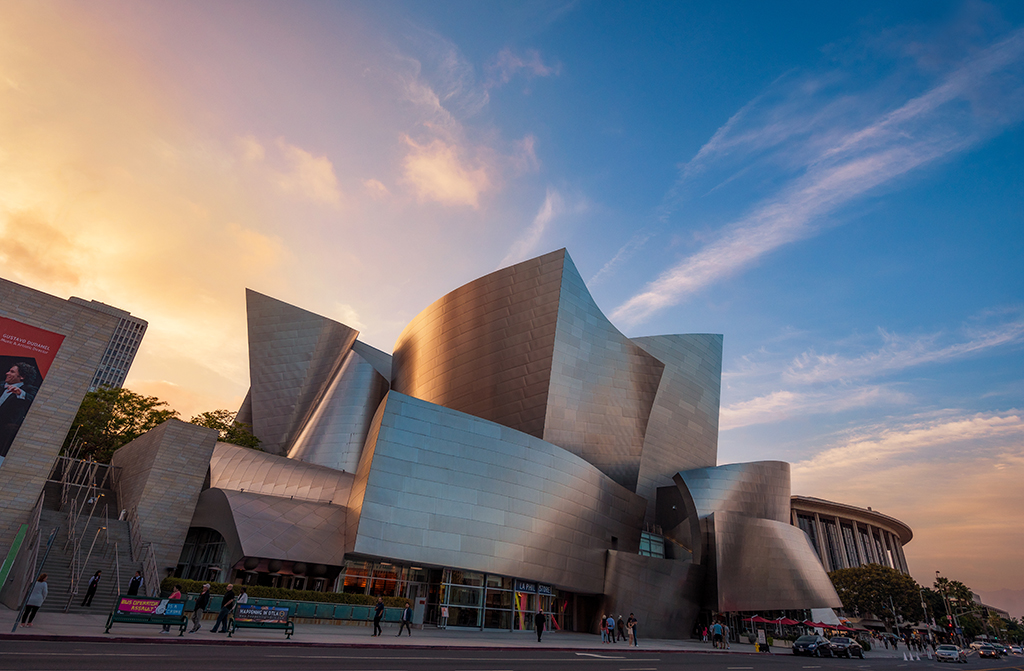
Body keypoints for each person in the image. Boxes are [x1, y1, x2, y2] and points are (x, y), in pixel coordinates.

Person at [0, 362, 37, 461]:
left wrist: (20, 393)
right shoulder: (1, 385)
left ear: (22, 376)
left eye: (12, 372)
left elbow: (33, 400)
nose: (7, 373)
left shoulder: (29, 390)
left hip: (4, 433)